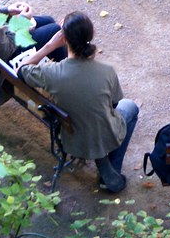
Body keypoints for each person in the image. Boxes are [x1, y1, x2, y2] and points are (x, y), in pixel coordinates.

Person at [17, 12, 139, 194]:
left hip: (71, 138)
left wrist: (49, 46)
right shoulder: (106, 72)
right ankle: (109, 166)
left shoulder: (52, 73)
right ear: (90, 36)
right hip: (102, 133)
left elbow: (22, 70)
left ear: (64, 39)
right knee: (130, 107)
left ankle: (101, 157)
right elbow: (114, 104)